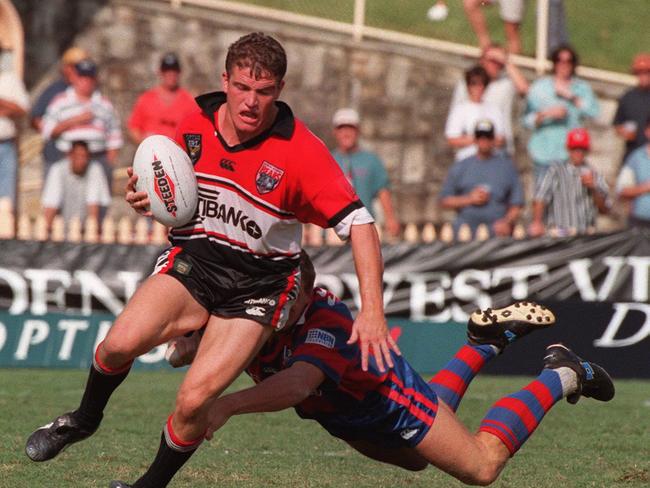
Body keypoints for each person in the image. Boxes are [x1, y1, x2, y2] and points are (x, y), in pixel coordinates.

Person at [25, 32, 399, 487]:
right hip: (196, 261)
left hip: (258, 286)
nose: (250, 103)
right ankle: (83, 419)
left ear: (279, 91)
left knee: (192, 401)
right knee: (118, 344)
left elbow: (361, 224)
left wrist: (373, 311)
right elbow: (165, 190)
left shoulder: (303, 152)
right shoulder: (193, 123)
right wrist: (141, 196)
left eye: (263, 92)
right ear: (225, 80)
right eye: (242, 88)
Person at [138, 252, 614, 488]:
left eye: (290, 298)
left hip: (387, 399)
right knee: (417, 459)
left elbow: (299, 382)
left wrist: (226, 405)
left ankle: (562, 373)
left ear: (306, 293)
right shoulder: (257, 310)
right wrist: (185, 340)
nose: (279, 308)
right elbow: (192, 334)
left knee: (480, 466)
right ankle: (481, 346)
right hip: (342, 418)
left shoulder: (325, 320)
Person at [40, 58, 123, 192]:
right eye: (82, 77)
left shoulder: (104, 103)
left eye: (89, 78)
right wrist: (75, 120)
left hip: (98, 158)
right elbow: (48, 131)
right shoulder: (60, 101)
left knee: (98, 201)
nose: (86, 82)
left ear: (95, 80)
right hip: (68, 158)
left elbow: (114, 133)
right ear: (74, 78)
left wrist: (109, 161)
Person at [523, 45, 599, 186]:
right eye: (560, 60)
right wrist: (547, 114)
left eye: (568, 61)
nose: (564, 65)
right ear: (555, 63)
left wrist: (572, 97)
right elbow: (527, 120)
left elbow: (594, 112)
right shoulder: (540, 87)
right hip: (544, 153)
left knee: (566, 200)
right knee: (542, 199)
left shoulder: (582, 88)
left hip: (569, 156)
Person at [440, 119, 524, 238]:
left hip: (496, 229)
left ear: (493, 139)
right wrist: (469, 199)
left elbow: (517, 203)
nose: (484, 141)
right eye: (480, 137)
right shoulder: (461, 166)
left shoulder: (507, 167)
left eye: (487, 137)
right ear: (475, 139)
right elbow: (445, 201)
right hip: (466, 230)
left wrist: (506, 222)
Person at [331, 107, 400, 238]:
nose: (346, 133)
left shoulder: (371, 160)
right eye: (342, 128)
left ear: (358, 131)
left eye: (350, 128)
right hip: (334, 228)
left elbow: (383, 190)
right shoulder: (328, 160)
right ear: (335, 132)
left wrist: (390, 218)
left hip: (365, 225)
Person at [529, 128, 610, 237]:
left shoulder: (595, 174)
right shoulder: (555, 170)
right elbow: (540, 197)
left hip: (585, 235)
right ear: (568, 149)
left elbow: (604, 210)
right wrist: (537, 222)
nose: (578, 153)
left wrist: (593, 188)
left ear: (587, 150)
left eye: (582, 149)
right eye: (574, 149)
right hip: (559, 234)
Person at [449, 44, 529, 156]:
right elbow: (456, 117)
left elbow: (525, 90)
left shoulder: (506, 83)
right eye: (492, 60)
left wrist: (506, 61)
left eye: (498, 61)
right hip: (470, 153)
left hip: (500, 151)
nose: (495, 65)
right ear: (482, 60)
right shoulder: (467, 84)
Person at [30, 46, 89, 177]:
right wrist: (54, 130)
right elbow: (36, 119)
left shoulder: (90, 90)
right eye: (76, 66)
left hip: (82, 160)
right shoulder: (54, 90)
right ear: (66, 68)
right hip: (55, 156)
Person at [41, 140, 112, 233]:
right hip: (61, 230)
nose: (82, 161)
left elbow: (93, 205)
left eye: (85, 157)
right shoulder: (58, 169)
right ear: (70, 156)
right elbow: (51, 204)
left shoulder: (94, 169)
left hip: (87, 230)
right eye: (78, 157)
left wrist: (92, 234)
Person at [127, 52, 197, 144]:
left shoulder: (189, 101)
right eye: (167, 71)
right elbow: (134, 127)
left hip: (177, 153)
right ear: (160, 72)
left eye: (174, 71)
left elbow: (196, 131)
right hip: (151, 153)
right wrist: (145, 142)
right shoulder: (146, 99)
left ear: (179, 73)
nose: (171, 74)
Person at [445, 66, 505, 162]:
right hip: (466, 160)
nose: (478, 88)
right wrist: (478, 140)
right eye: (474, 83)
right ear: (468, 86)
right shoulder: (460, 110)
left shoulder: (494, 110)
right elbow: (452, 139)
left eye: (482, 84)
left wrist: (483, 143)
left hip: (491, 161)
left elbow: (500, 139)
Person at [0, 45, 30, 210]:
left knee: (6, 198)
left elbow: (22, 108)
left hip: (5, 144)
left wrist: (3, 104)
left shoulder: (9, 80)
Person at [612, 53, 650, 164]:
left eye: (647, 72)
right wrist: (623, 131)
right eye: (640, 72)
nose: (643, 76)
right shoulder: (628, 97)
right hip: (632, 154)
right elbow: (617, 123)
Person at [616, 118, 650, 228]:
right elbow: (621, 190)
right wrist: (644, 188)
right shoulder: (635, 157)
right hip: (639, 222)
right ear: (647, 131)